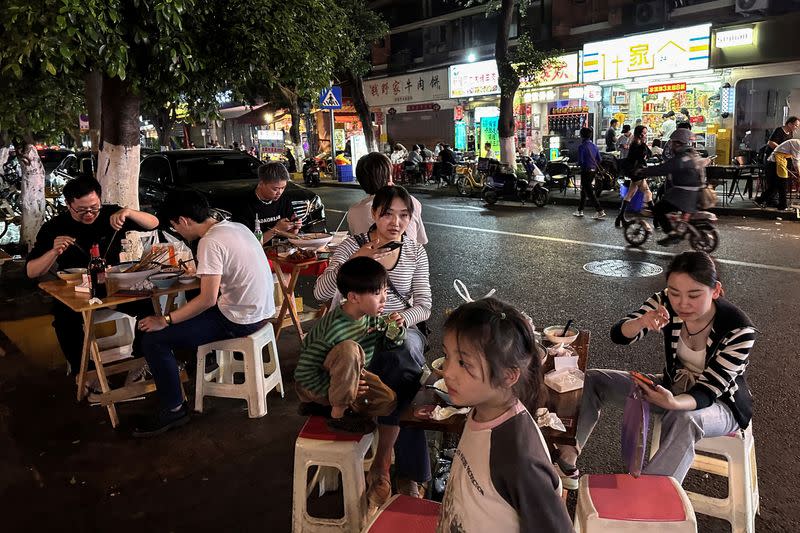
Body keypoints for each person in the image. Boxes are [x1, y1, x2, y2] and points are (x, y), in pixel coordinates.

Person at [553, 251, 756, 491]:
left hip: (721, 404)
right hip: (670, 387)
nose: (682, 303)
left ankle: (650, 497)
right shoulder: (665, 302)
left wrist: (674, 403)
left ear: (716, 291)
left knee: (685, 418)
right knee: (594, 380)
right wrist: (642, 321)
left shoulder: (738, 329)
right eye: (675, 292)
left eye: (694, 295)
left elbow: (708, 390)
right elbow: (618, 335)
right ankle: (566, 460)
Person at [316, 185, 432, 502]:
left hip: (399, 329)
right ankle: (398, 468)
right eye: (388, 214)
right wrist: (356, 258)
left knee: (403, 358)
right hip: (354, 328)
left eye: (404, 215)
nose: (396, 222)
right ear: (374, 214)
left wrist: (403, 319)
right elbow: (320, 293)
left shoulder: (414, 252)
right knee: (389, 366)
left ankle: (385, 464)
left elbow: (424, 304)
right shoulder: (351, 246)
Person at [135, 190, 274, 437]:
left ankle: (174, 407)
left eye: (175, 226)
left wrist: (164, 319)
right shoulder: (236, 227)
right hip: (262, 311)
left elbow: (207, 300)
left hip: (239, 319)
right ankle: (184, 380)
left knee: (155, 339)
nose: (178, 232)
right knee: (180, 323)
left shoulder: (209, 241)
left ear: (184, 220)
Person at [437, 298, 572, 532]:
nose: (447, 371)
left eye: (463, 363)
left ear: (509, 376)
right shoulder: (481, 410)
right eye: (446, 356)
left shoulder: (519, 458)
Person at [296, 257, 417, 503]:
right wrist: (332, 392)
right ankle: (338, 415)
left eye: (384, 290)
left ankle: (332, 405)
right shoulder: (333, 328)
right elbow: (304, 372)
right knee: (349, 349)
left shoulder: (370, 317)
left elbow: (388, 342)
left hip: (347, 379)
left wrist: (393, 330)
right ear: (353, 297)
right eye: (377, 293)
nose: (384, 298)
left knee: (388, 400)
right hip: (314, 383)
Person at [26, 176, 159, 375]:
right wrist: (53, 252)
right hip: (76, 292)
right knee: (64, 320)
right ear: (69, 205)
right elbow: (31, 271)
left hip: (115, 287)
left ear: (100, 200)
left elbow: (154, 223)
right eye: (81, 210)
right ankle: (86, 374)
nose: (89, 214)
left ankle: (140, 362)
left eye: (94, 207)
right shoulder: (54, 227)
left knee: (149, 307)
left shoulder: (111, 214)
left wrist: (129, 212)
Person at [639, 128, 702, 246]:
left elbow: (663, 169)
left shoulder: (681, 159)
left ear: (679, 143)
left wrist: (643, 171)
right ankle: (678, 226)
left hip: (683, 195)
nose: (671, 145)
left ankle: (672, 233)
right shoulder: (692, 155)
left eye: (673, 142)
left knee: (658, 209)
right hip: (690, 192)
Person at [347, 153, 428, 244]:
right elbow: (420, 242)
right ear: (388, 177)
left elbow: (356, 243)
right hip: (410, 256)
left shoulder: (354, 211)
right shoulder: (410, 201)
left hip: (366, 257)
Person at [228, 161, 301, 242]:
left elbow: (292, 236)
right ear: (261, 183)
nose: (279, 193)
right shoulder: (243, 205)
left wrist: (295, 227)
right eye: (275, 189)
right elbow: (246, 244)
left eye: (283, 188)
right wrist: (276, 230)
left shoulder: (284, 200)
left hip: (282, 250)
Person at [615, 125, 654, 228]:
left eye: (646, 133)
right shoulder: (636, 144)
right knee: (647, 192)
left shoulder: (638, 142)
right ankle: (657, 219)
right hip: (637, 172)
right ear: (640, 133)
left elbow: (648, 154)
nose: (645, 135)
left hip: (636, 172)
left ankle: (619, 218)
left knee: (630, 194)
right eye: (644, 133)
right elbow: (641, 157)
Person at [757, 116, 799, 207]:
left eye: (797, 126)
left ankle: (764, 200)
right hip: (772, 158)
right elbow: (770, 143)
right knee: (775, 182)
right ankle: (770, 201)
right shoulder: (779, 130)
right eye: (795, 125)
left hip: (781, 160)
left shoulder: (790, 133)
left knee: (778, 183)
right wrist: (781, 149)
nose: (796, 127)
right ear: (789, 124)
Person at [573, 127, 606, 220]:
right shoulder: (594, 146)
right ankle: (580, 210)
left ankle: (600, 210)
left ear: (581, 135)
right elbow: (599, 159)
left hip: (585, 171)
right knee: (584, 190)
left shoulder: (581, 147)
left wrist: (576, 164)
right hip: (593, 170)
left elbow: (580, 161)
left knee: (589, 192)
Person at [762, 138, 800, 211]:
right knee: (782, 184)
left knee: (776, 185)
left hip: (779, 161)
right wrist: (799, 174)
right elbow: (796, 161)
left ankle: (760, 200)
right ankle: (782, 205)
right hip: (774, 162)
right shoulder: (797, 144)